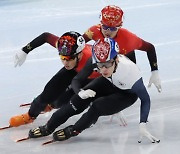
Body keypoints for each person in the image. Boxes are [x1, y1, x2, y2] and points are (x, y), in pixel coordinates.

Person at [28, 38, 160, 143]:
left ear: (116, 59)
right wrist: (80, 92)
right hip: (108, 82)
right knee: (77, 100)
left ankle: (74, 130)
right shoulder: (96, 60)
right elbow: (76, 80)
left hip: (126, 94)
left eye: (107, 64)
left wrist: (143, 123)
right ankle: (48, 127)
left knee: (97, 107)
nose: (103, 70)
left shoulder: (130, 73)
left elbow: (145, 99)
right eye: (100, 65)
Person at [9, 31, 101, 127]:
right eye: (62, 58)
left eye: (69, 58)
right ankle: (30, 116)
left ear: (80, 54)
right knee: (47, 94)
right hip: (74, 68)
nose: (65, 62)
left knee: (68, 98)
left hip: (91, 76)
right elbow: (46, 36)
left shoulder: (95, 60)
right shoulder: (66, 47)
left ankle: (54, 105)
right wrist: (25, 50)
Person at [82, 5, 161, 92]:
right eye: (104, 27)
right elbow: (77, 45)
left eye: (112, 29)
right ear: (100, 24)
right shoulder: (94, 31)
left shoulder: (129, 38)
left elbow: (150, 48)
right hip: (107, 64)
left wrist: (154, 71)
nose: (108, 32)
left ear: (119, 27)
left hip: (125, 65)